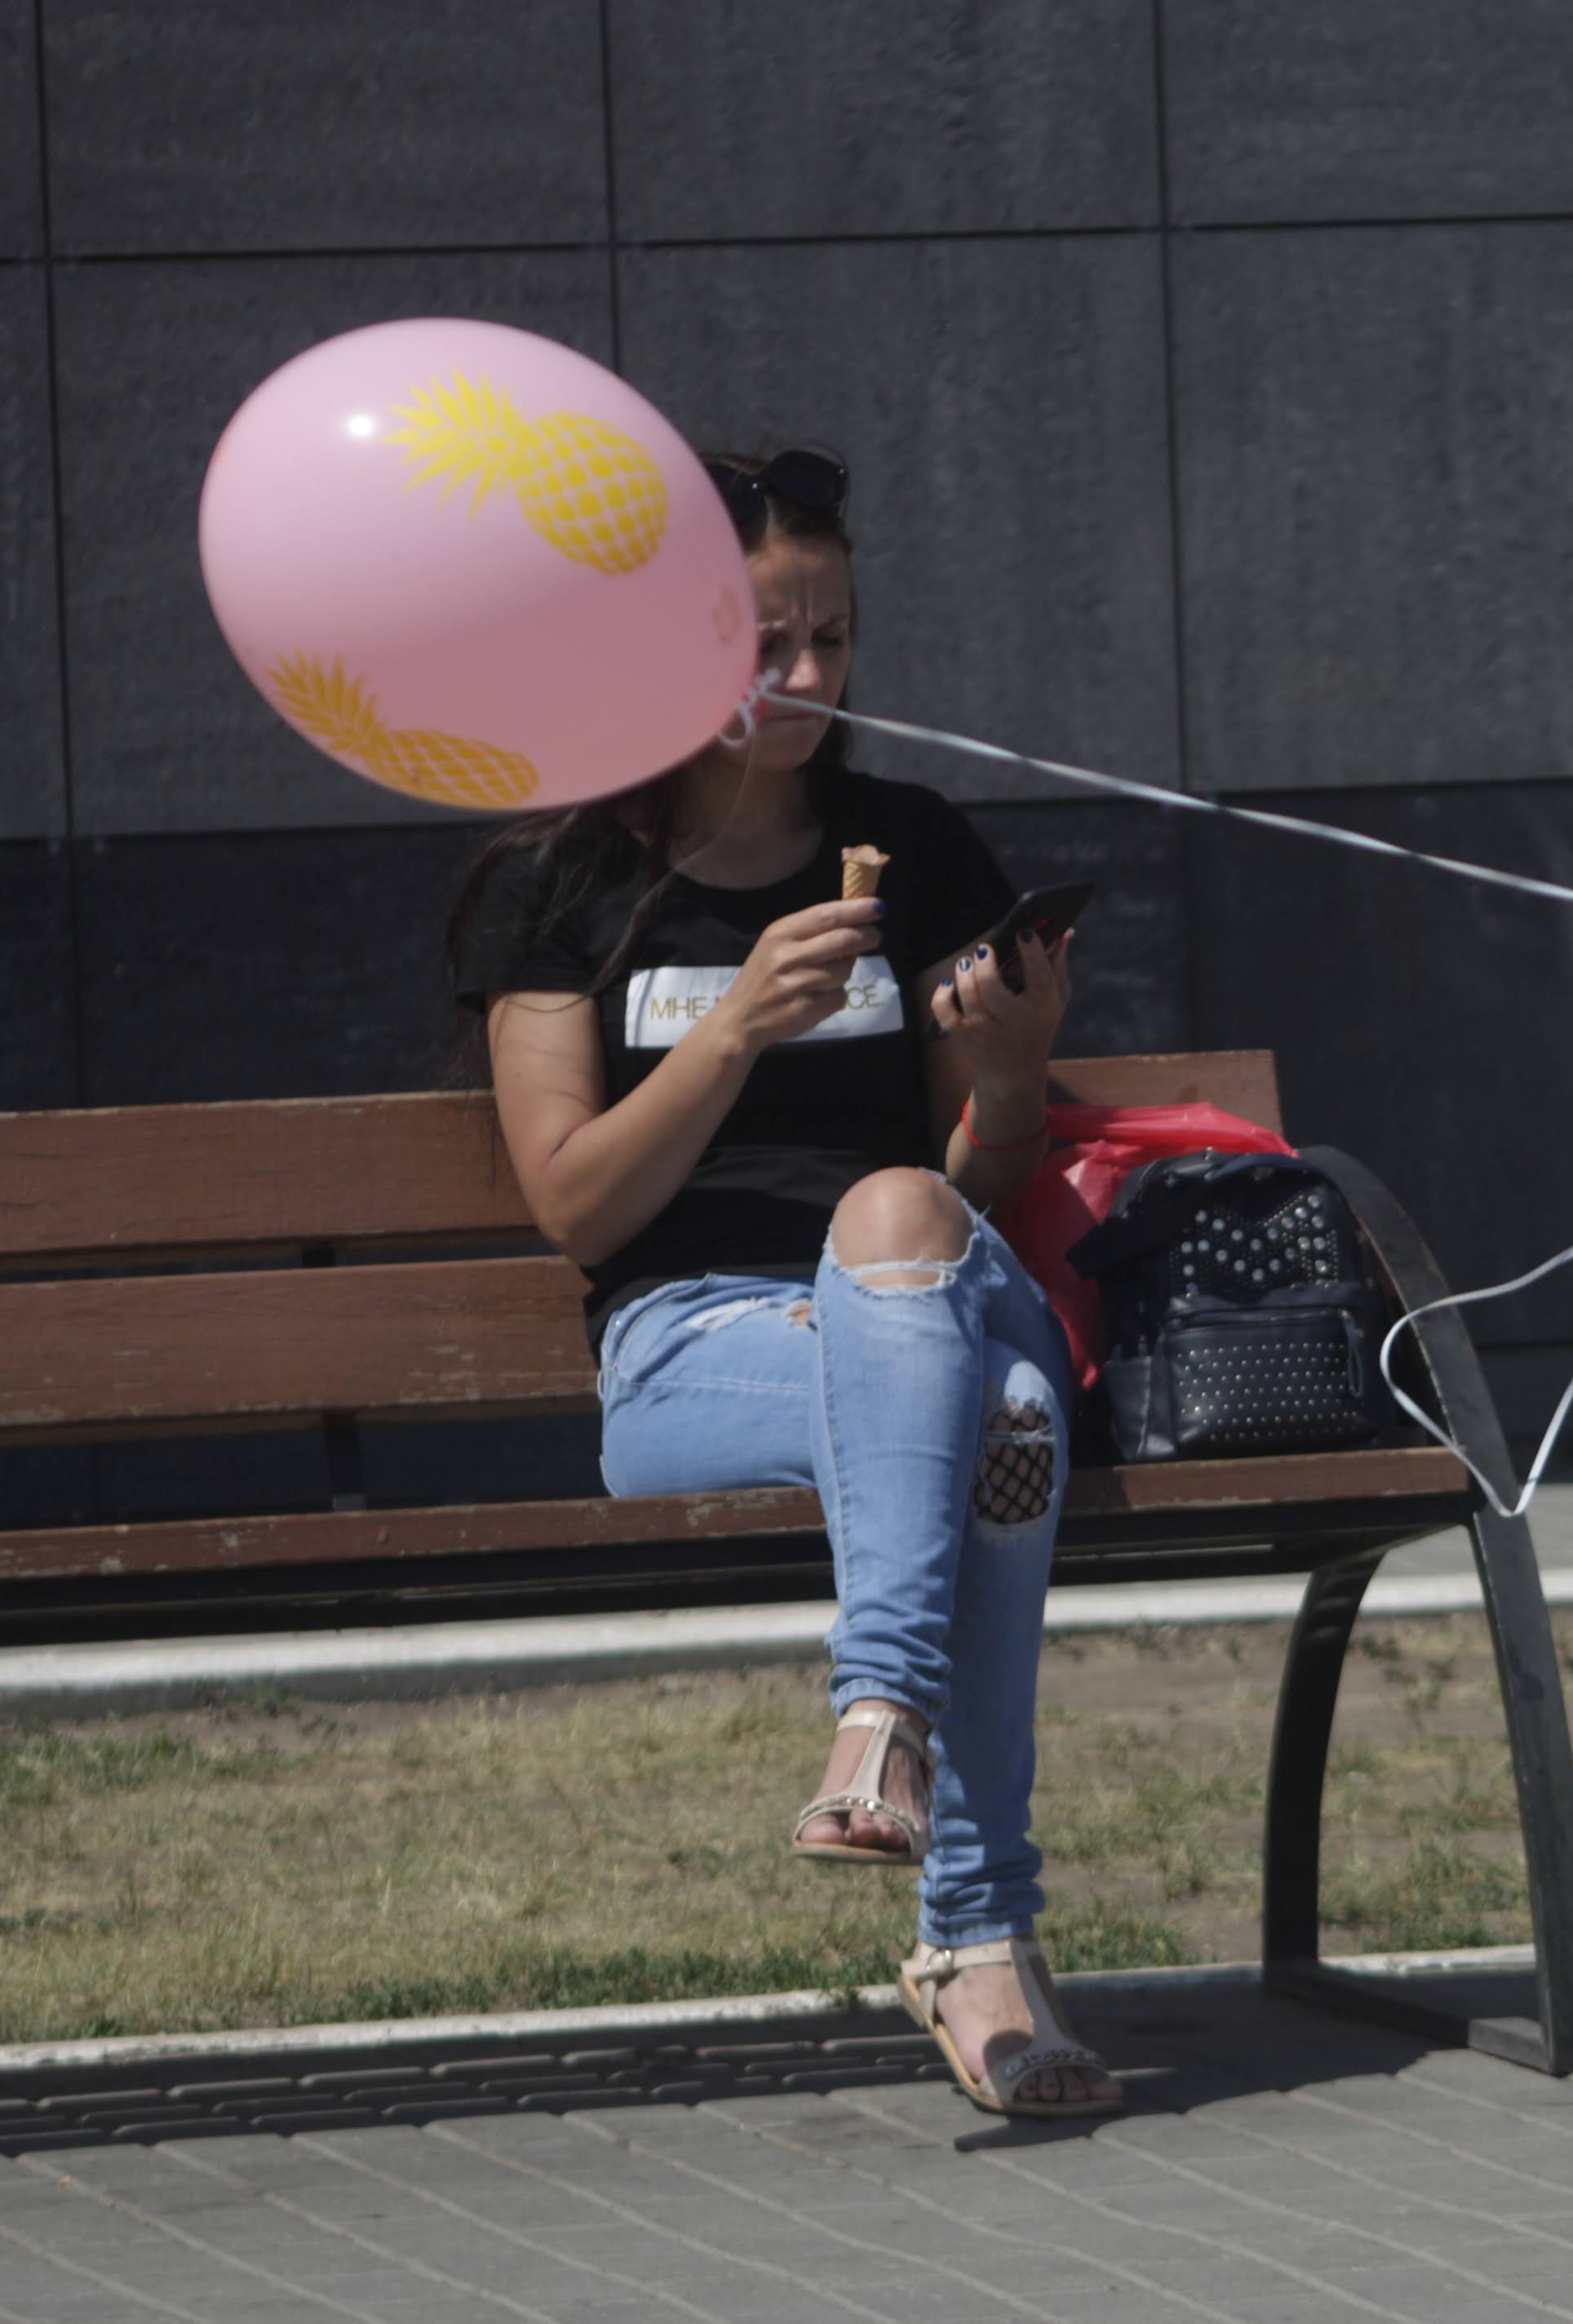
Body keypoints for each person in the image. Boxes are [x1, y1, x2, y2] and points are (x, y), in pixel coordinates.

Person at [446, 449, 1119, 2120]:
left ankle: (878, 1719)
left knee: (899, 1217)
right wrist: (738, 1023)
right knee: (1007, 1417)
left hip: (921, 1288)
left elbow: (978, 1185)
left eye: (834, 636)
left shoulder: (917, 847)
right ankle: (981, 1932)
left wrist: (1013, 1069)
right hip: (692, 1344)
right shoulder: (565, 885)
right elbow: (577, 1205)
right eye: (766, 643)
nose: (808, 676)